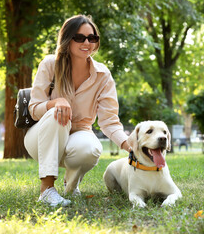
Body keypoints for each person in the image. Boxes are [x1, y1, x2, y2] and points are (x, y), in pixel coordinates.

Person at [24, 15, 131, 207]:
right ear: (67, 39)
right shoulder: (50, 64)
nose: (87, 42)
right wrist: (55, 102)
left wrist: (129, 145)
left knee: (90, 148)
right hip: (41, 138)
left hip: (79, 132)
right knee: (58, 114)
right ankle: (47, 190)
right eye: (79, 37)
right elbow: (33, 109)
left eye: (92, 38)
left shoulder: (103, 75)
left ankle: (71, 186)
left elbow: (109, 120)